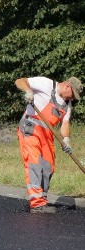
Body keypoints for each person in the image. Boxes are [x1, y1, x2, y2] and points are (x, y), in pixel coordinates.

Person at [14, 76, 80, 213]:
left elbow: (65, 123)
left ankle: (42, 199)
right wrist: (28, 92)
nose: (72, 99)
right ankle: (36, 204)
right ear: (68, 86)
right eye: (73, 95)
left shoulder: (67, 105)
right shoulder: (46, 84)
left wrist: (66, 139)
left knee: (48, 166)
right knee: (34, 163)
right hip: (30, 127)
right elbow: (20, 81)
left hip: (47, 133)